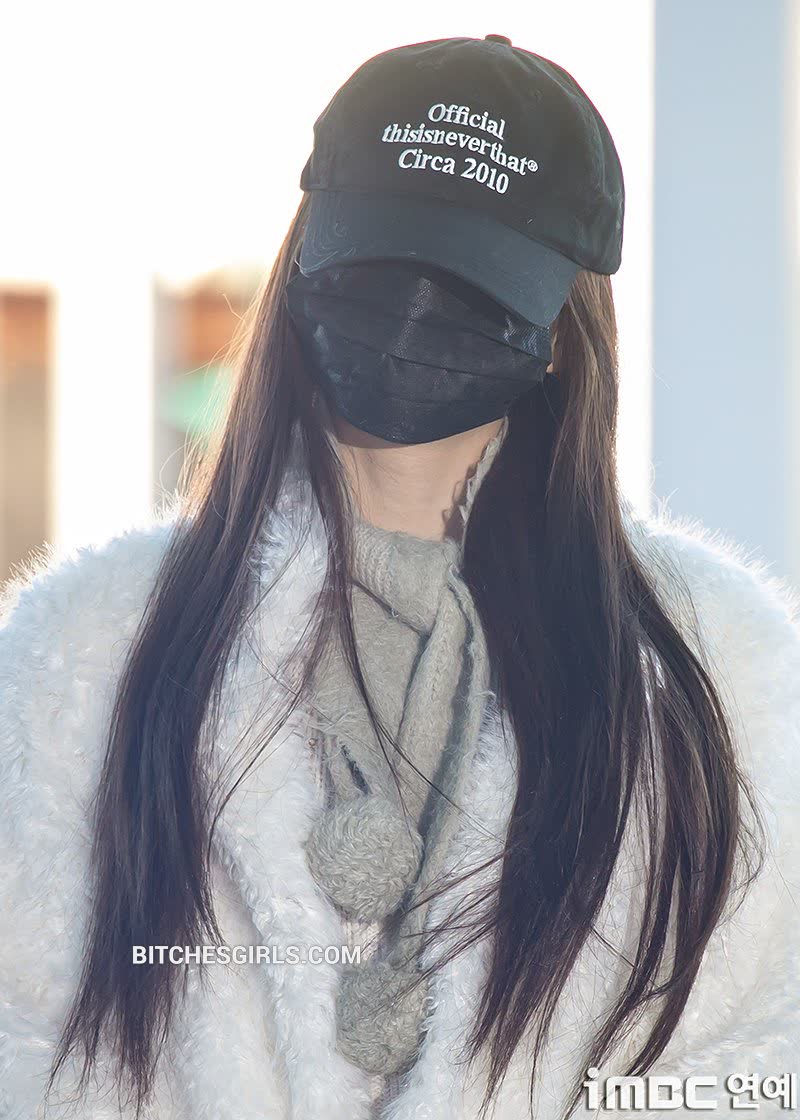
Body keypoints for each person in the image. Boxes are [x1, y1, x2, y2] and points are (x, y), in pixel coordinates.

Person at [1, 32, 798, 1120]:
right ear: (304, 261)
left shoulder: (720, 675)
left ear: (562, 324)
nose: (415, 311)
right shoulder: (86, 650)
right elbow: (28, 1041)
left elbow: (753, 1064)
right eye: (379, 264)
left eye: (467, 280)